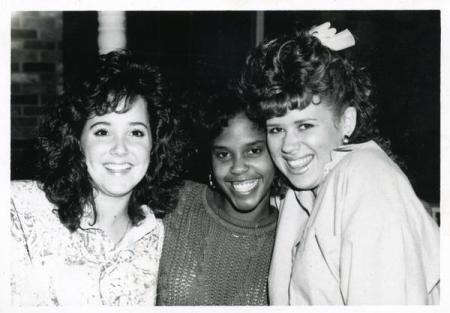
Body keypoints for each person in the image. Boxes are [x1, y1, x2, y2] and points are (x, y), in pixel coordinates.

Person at [239, 23, 440, 305]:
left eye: (305, 125)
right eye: (276, 129)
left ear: (346, 121)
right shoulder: (302, 191)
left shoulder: (366, 178)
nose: (288, 146)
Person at [10, 49, 183, 306]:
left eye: (136, 133)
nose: (120, 149)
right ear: (76, 140)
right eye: (102, 131)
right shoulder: (18, 208)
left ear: (154, 144)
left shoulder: (157, 237)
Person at [157, 88, 281, 305]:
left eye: (254, 151)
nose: (238, 168)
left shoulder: (289, 237)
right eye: (223, 154)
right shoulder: (176, 202)